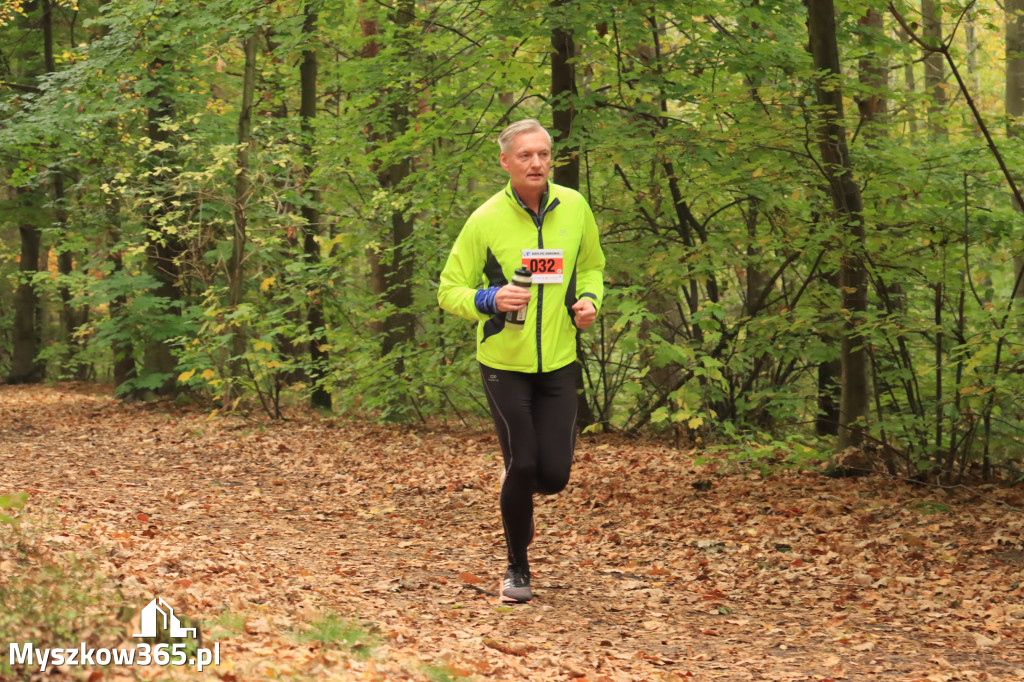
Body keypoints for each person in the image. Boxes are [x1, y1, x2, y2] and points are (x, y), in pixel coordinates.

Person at [437, 119, 606, 603]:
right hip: (503, 362)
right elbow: (449, 290)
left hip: (559, 360)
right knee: (523, 462)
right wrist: (491, 299)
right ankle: (516, 568)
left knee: (553, 475)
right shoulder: (485, 219)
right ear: (506, 162)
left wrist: (590, 300)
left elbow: (592, 264)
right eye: (526, 155)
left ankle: (521, 499)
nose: (536, 163)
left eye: (544, 155)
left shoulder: (574, 207)